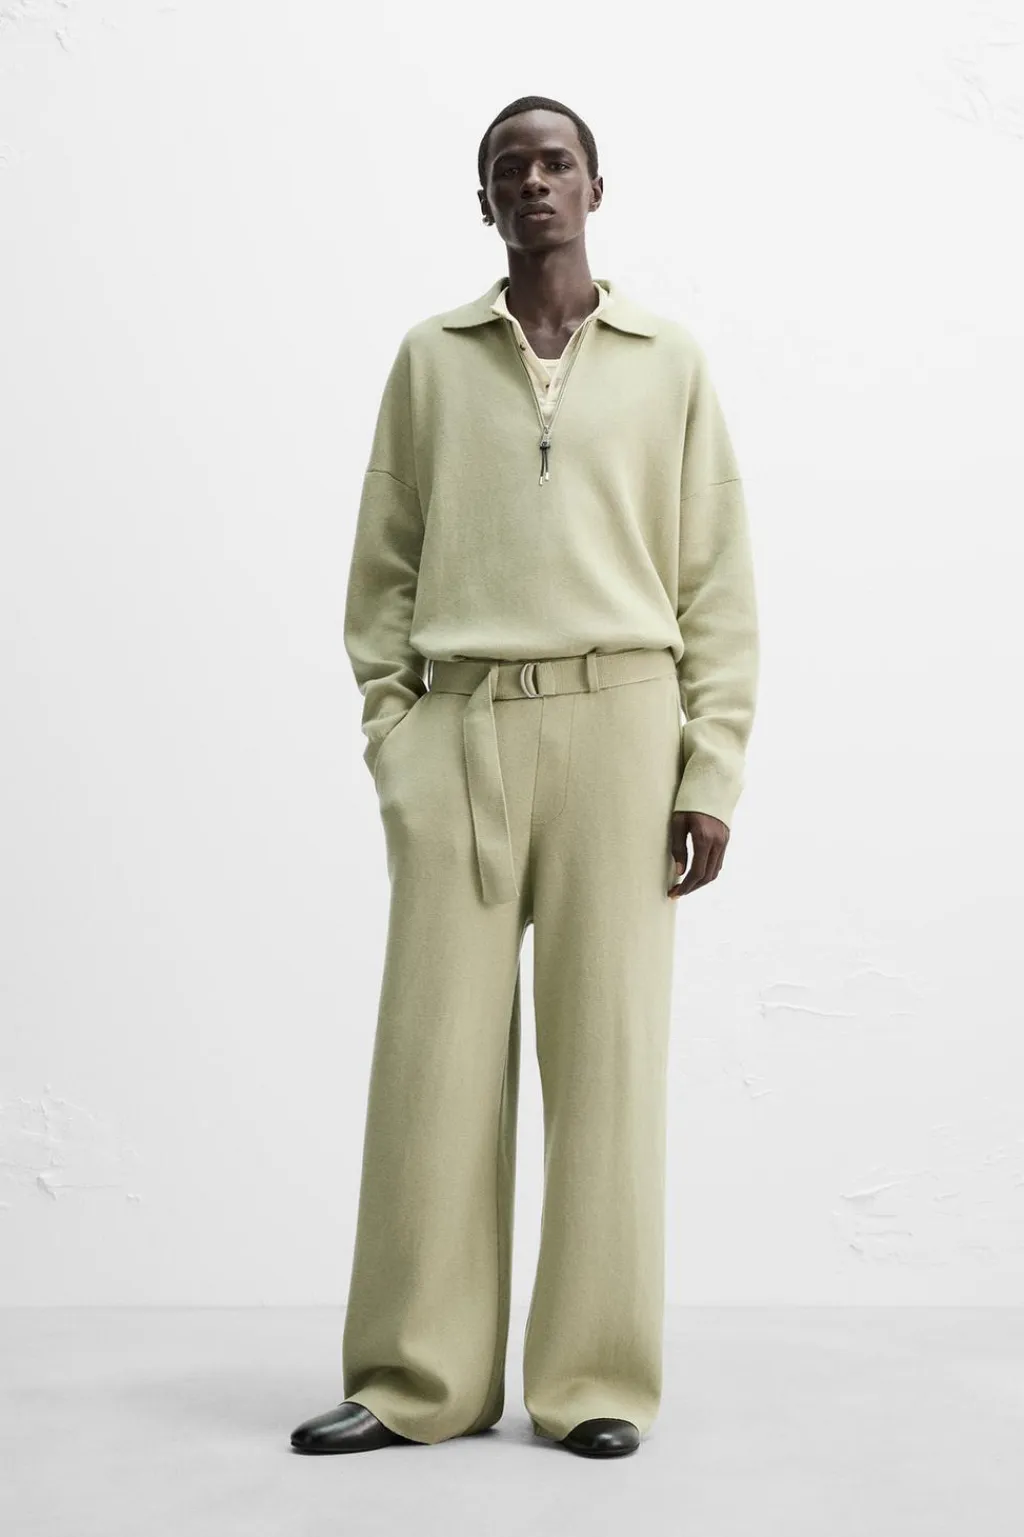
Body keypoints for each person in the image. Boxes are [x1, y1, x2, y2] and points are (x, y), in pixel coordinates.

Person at [291, 93, 759, 1461]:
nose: (536, 183)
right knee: (433, 1065)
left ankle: (596, 1379)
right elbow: (382, 567)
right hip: (465, 731)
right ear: (485, 199)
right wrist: (398, 735)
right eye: (512, 168)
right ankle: (417, 1380)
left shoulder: (669, 363)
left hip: (626, 726)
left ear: (597, 188)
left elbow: (717, 582)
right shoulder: (430, 361)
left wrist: (711, 767)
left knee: (608, 1066)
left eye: (558, 163)